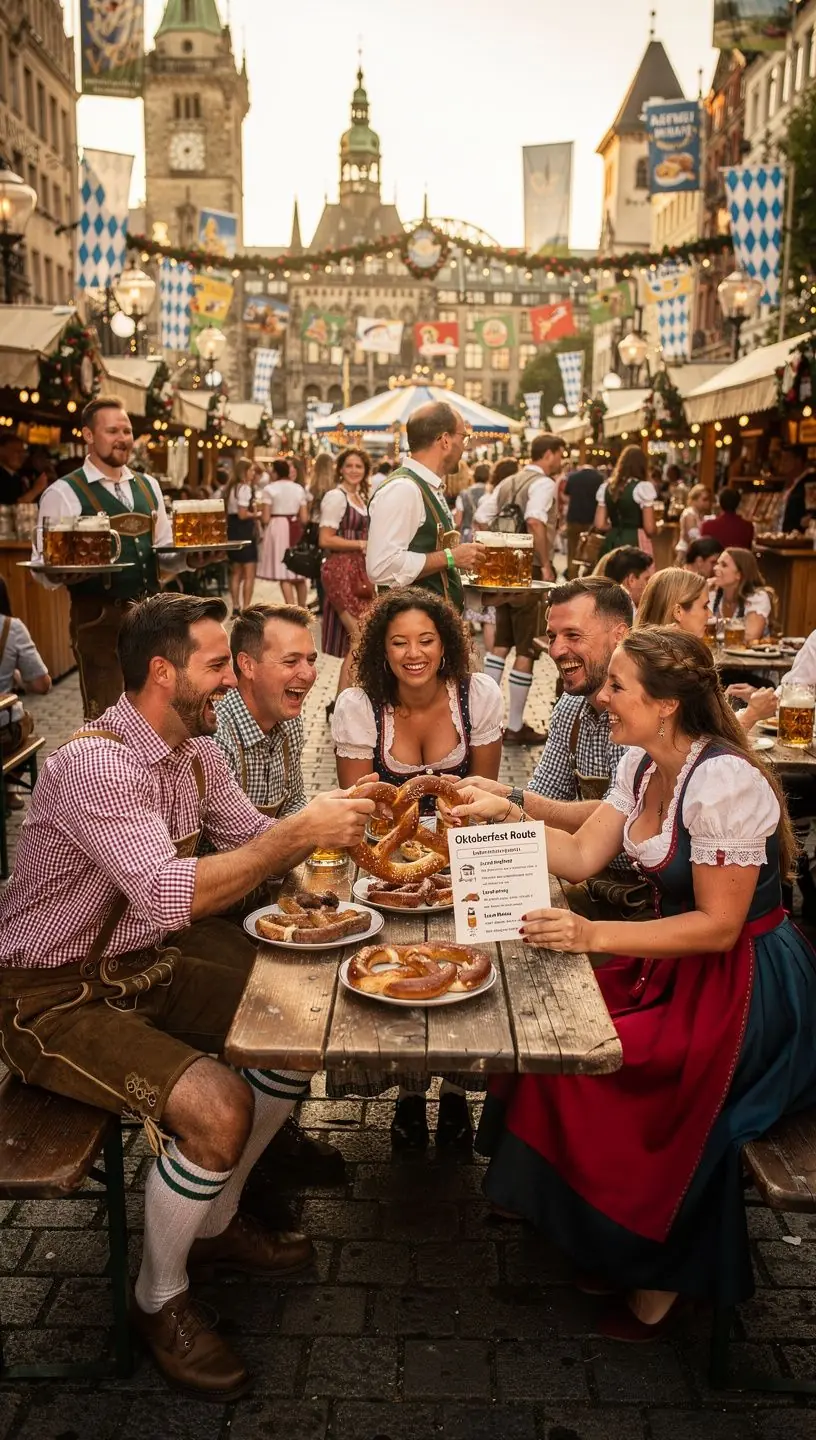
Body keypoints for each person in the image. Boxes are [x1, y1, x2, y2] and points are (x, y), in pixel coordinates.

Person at [0, 592, 375, 1397]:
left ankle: (210, 1223)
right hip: (51, 999)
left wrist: (368, 848)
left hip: (141, 964)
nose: (232, 684)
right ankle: (158, 1297)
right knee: (218, 1108)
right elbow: (175, 895)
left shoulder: (196, 757)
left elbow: (257, 849)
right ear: (163, 673)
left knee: (298, 1018)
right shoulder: (96, 763)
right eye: (216, 667)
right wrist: (300, 831)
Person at [449, 628, 816, 1337]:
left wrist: (590, 936)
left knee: (612, 1068)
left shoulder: (724, 782)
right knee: (555, 1036)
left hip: (745, 989)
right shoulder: (644, 767)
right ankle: (604, 1237)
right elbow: (584, 857)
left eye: (620, 687)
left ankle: (661, 1267)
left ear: (669, 705)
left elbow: (717, 927)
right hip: (669, 963)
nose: (603, 697)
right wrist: (505, 818)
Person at [331, 587, 503, 1149]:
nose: (414, 653)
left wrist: (447, 855)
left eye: (426, 640)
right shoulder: (360, 707)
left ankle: (455, 1096)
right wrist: (402, 856)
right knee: (402, 963)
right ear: (381, 650)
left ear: (445, 644)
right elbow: (363, 807)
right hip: (386, 860)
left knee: (461, 965)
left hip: (461, 854)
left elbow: (476, 797)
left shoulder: (477, 697)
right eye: (399, 641)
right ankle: (407, 1097)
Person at [213, 602, 345, 1192]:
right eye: (291, 660)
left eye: (312, 659)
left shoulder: (285, 724)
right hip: (214, 905)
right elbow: (224, 850)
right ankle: (251, 1157)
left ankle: (274, 1133)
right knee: (289, 993)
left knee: (320, 962)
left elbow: (289, 812)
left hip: (258, 892)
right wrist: (311, 832)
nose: (308, 674)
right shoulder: (215, 736)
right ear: (245, 665)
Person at [460, 577, 648, 921]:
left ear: (619, 636)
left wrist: (508, 801)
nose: (557, 650)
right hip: (590, 889)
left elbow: (626, 820)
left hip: (647, 906)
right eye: (552, 636)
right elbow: (541, 805)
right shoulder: (570, 707)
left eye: (573, 636)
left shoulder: (648, 714)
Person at [32, 396, 209, 720]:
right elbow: (43, 565)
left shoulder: (148, 485)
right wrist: (61, 574)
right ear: (88, 435)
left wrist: (191, 560)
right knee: (108, 717)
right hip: (99, 619)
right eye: (112, 431)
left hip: (153, 619)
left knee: (160, 713)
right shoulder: (63, 493)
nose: (122, 439)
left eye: (126, 431)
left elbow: (163, 550)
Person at [483, 434, 566, 746]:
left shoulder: (507, 481)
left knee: (501, 643)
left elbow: (482, 516)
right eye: (560, 454)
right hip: (527, 569)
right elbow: (534, 520)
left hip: (502, 571)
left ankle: (486, 719)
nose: (562, 461)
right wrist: (544, 563)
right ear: (548, 454)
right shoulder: (543, 483)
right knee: (528, 646)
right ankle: (515, 725)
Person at [365, 402, 484, 611]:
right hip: (413, 629)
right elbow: (381, 567)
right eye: (463, 437)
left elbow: (436, 574)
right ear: (445, 440)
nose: (465, 446)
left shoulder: (425, 486)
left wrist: (482, 598)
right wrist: (451, 557)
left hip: (432, 625)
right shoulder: (404, 489)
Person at [636, 568, 776, 733]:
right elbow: (700, 744)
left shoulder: (640, 654)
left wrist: (719, 703)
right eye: (704, 606)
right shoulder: (673, 667)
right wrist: (752, 714)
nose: (710, 615)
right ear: (678, 612)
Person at [319, 447, 373, 704]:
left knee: (361, 638)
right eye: (349, 466)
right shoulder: (336, 497)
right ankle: (343, 702)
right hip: (340, 572)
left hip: (359, 573)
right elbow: (325, 538)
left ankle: (347, 699)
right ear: (340, 468)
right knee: (360, 637)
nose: (353, 471)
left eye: (358, 466)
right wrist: (361, 545)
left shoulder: (360, 497)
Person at [0, 577, 51, 810]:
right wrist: (20, 680)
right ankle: (9, 788)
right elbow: (42, 685)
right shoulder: (11, 627)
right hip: (3, 734)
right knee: (24, 720)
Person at [257, 458, 309, 606]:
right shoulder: (298, 488)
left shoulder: (270, 489)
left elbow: (266, 518)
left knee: (283, 571)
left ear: (275, 472)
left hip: (277, 527)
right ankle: (303, 608)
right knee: (300, 571)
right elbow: (304, 517)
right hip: (295, 526)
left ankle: (291, 607)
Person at [594, 445, 657, 557]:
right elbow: (650, 528)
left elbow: (600, 524)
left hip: (611, 541)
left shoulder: (606, 487)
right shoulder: (643, 487)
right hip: (634, 543)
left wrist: (615, 526)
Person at [711, 547, 772, 643]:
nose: (715, 568)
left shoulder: (757, 597)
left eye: (724, 565)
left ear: (739, 575)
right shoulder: (712, 594)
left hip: (750, 657)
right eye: (717, 563)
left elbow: (750, 636)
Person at [224, 458, 257, 613]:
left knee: (236, 570)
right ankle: (246, 608)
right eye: (251, 470)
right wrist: (256, 514)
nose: (253, 473)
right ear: (244, 471)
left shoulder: (231, 488)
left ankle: (236, 606)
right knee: (249, 572)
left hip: (232, 528)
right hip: (244, 529)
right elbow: (243, 514)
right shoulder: (244, 488)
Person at [562, 461, 604, 571]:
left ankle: (572, 577)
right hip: (592, 520)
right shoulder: (599, 478)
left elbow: (566, 495)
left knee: (572, 551)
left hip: (574, 518)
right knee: (592, 552)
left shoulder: (573, 477)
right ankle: (589, 578)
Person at [598, 546, 654, 613]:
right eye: (646, 579)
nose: (649, 585)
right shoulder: (626, 616)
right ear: (631, 580)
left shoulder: (602, 608)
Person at [0, 433, 48, 506]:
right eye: (17, 452)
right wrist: (36, 490)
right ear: (2, 451)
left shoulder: (21, 474)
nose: (22, 456)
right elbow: (10, 509)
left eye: (23, 452)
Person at [777, 446, 816, 533]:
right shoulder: (792, 482)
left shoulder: (810, 481)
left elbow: (811, 513)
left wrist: (805, 522)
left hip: (801, 538)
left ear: (798, 461)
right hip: (788, 536)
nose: (782, 463)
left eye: (786, 459)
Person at [673, 483, 711, 563]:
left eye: (708, 499)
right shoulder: (689, 514)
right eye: (704, 499)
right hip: (686, 554)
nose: (708, 502)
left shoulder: (699, 514)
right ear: (694, 500)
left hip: (694, 553)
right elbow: (693, 539)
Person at [453, 461, 490, 541]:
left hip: (467, 537)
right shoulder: (492, 494)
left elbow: (458, 521)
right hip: (487, 537)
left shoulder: (464, 494)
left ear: (474, 475)